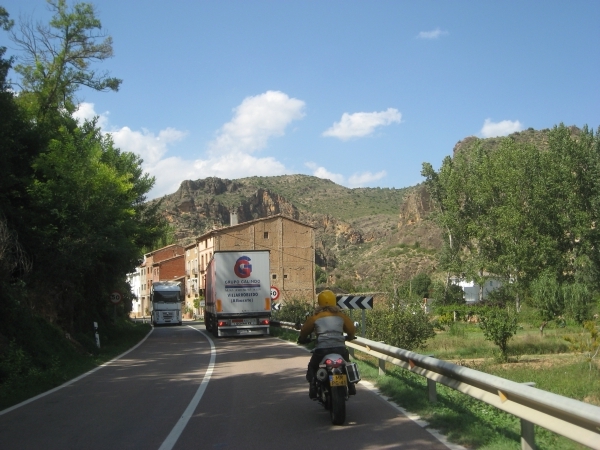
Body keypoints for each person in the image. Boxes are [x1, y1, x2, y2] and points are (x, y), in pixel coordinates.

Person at [298, 290, 356, 398]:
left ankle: (313, 386)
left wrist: (302, 339)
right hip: (340, 349)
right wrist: (350, 337)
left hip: (322, 350)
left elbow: (304, 331)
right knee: (346, 363)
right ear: (334, 302)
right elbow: (351, 329)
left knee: (313, 366)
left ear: (319, 302)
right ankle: (350, 383)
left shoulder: (315, 317)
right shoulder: (341, 316)